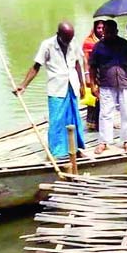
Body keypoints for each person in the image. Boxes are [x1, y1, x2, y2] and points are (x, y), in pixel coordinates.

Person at [15, 22, 86, 159]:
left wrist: (82, 83)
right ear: (58, 35)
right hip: (57, 88)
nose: (67, 43)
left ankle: (75, 149)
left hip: (72, 85)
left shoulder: (73, 42)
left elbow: (77, 63)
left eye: (69, 39)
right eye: (65, 40)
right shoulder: (47, 45)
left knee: (73, 118)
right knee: (57, 120)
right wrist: (23, 85)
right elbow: (36, 66)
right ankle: (57, 152)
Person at [89, 20, 127, 154]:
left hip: (124, 82)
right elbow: (92, 66)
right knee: (105, 113)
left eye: (112, 31)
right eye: (107, 31)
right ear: (104, 32)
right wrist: (93, 85)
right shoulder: (98, 47)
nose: (109, 34)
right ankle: (104, 142)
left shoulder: (125, 44)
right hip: (106, 83)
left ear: (116, 31)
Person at [81, 19, 104, 131]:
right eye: (99, 28)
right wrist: (86, 75)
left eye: (102, 28)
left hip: (103, 73)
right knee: (93, 99)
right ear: (95, 28)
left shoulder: (105, 40)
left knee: (103, 98)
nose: (101, 30)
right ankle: (92, 123)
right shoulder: (88, 41)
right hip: (92, 73)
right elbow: (85, 60)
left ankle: (102, 122)